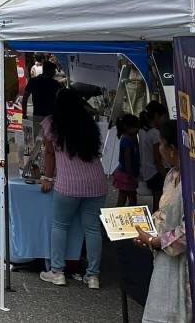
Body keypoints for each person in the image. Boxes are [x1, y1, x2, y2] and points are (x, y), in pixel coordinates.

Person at [39, 88, 107, 289]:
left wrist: (47, 177)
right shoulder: (88, 122)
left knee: (60, 225)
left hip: (68, 184)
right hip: (97, 182)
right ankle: (93, 276)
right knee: (93, 228)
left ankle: (57, 272)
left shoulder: (52, 124)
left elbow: (49, 154)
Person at [133, 121, 188, 321]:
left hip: (187, 268)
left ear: (172, 149)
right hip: (166, 262)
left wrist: (155, 241)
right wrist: (146, 228)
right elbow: (164, 211)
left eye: (162, 145)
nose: (160, 150)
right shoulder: (173, 175)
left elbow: (192, 230)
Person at [138, 101, 169, 211]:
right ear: (156, 116)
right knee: (159, 204)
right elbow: (157, 159)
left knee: (157, 202)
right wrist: (166, 176)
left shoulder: (142, 131)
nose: (165, 120)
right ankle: (157, 224)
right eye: (164, 117)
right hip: (156, 173)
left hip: (147, 172)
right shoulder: (155, 133)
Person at [113, 114, 141, 206]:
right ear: (127, 127)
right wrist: (130, 175)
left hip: (125, 173)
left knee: (124, 196)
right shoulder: (127, 140)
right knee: (130, 197)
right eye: (135, 127)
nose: (137, 129)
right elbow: (127, 158)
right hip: (127, 174)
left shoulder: (129, 138)